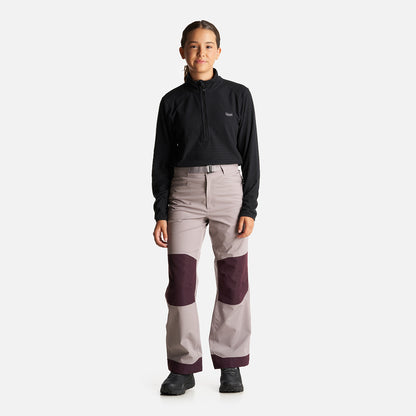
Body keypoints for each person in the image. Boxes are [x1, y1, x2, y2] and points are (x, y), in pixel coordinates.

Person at [151, 19, 260, 395]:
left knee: (233, 278)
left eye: (209, 45)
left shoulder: (238, 96)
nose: (202, 52)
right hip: (184, 193)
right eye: (194, 46)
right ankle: (183, 366)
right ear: (182, 51)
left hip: (230, 190)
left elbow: (251, 153)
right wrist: (161, 212)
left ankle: (231, 363)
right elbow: (161, 161)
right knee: (181, 280)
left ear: (219, 51)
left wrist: (249, 207)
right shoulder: (171, 102)